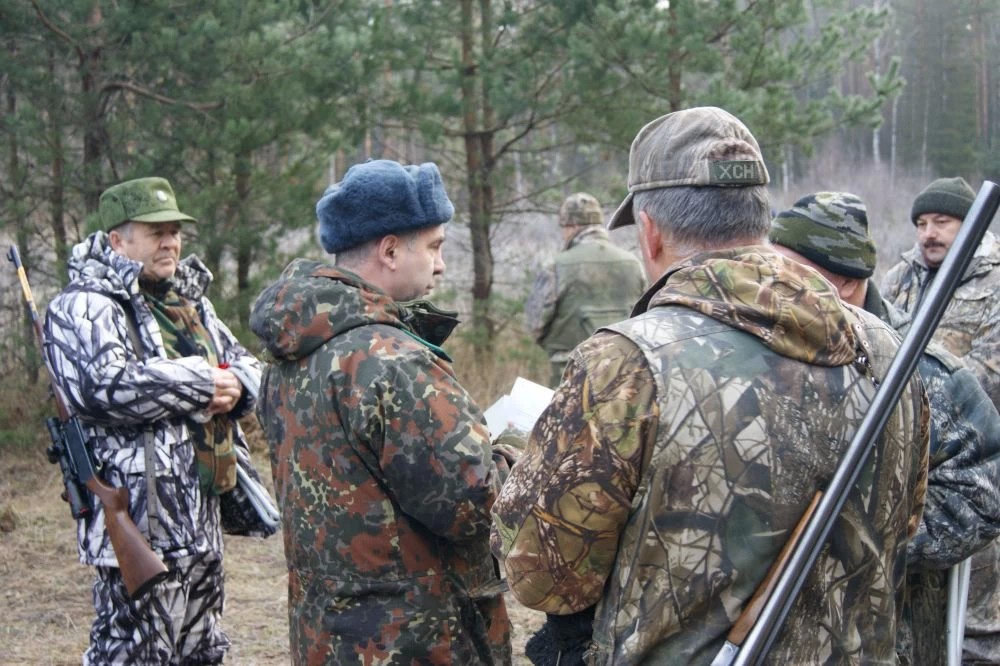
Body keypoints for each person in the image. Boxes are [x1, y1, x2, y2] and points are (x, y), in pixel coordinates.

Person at [490, 106, 929, 665]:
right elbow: (904, 520)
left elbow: (544, 578)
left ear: (648, 233)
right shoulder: (892, 350)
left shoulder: (626, 363)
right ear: (761, 220)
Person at [249, 159, 512, 665]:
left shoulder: (290, 352)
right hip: (417, 638)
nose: (441, 264)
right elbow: (474, 504)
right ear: (390, 250)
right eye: (433, 247)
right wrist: (518, 451)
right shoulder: (391, 361)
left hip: (328, 634)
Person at [770, 190, 1000, 665]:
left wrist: (870, 534)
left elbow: (985, 489)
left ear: (843, 283)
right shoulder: (769, 345)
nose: (768, 282)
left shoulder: (923, 371)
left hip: (893, 626)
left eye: (787, 272)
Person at [42, 176, 261, 664]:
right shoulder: (83, 306)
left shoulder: (187, 303)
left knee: (202, 649)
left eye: (175, 231)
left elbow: (249, 367)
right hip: (140, 523)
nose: (171, 242)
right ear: (118, 241)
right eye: (156, 231)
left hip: (201, 519)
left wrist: (237, 387)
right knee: (132, 653)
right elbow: (107, 386)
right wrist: (204, 383)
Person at [882, 176, 1000, 664]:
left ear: (970, 222)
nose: (929, 233)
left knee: (980, 613)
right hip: (916, 465)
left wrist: (948, 389)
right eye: (921, 224)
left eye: (942, 222)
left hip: (978, 459)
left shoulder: (995, 280)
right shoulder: (899, 279)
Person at [524, 192, 646, 386]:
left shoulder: (556, 266)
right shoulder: (634, 263)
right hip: (624, 374)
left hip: (569, 375)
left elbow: (535, 323)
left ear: (571, 226)